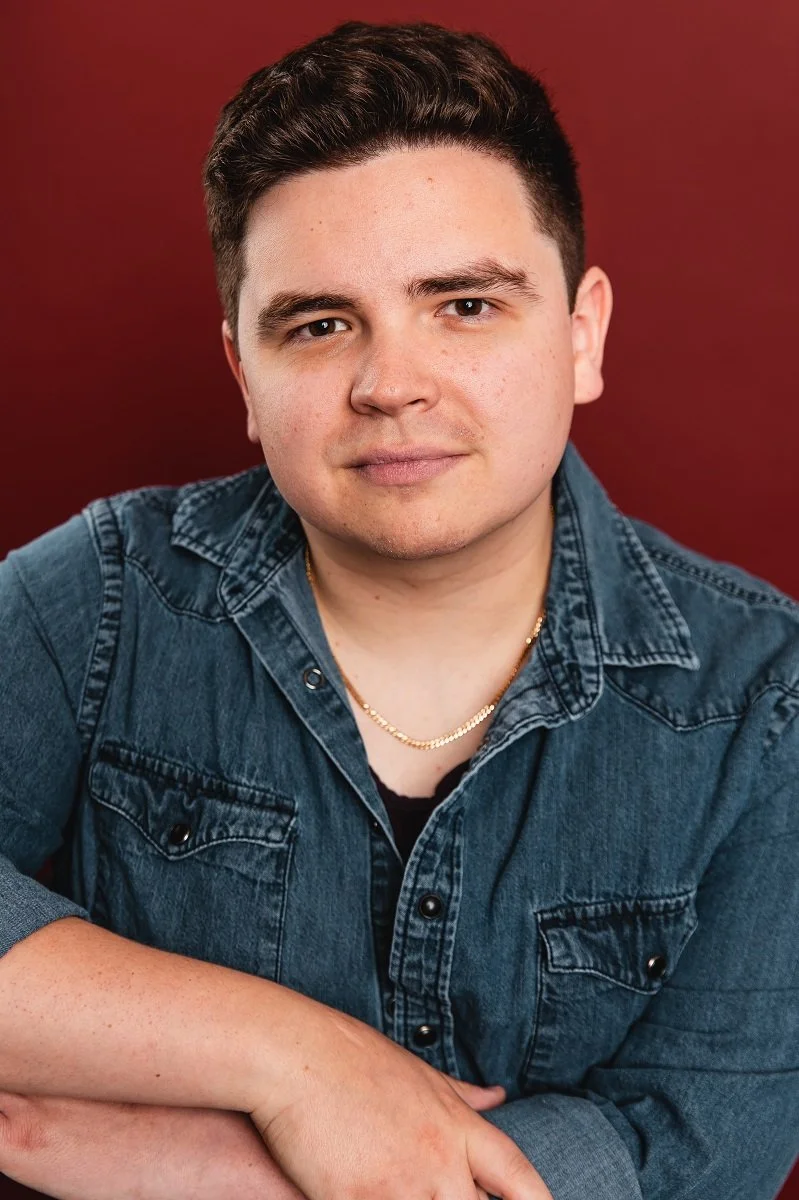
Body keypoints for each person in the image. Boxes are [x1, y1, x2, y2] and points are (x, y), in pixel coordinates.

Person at [0, 17, 797, 1200]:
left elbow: (699, 1152)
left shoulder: (765, 702)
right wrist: (291, 1062)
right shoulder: (106, 594)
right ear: (245, 376)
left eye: (463, 305)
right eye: (320, 325)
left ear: (581, 336)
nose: (390, 385)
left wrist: (189, 1163)